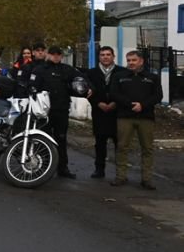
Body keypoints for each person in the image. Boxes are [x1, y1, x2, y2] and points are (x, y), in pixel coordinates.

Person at [29, 46, 90, 179]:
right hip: (44, 112)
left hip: (61, 110)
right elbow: (32, 88)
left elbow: (82, 78)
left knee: (61, 139)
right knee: (43, 139)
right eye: (53, 54)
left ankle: (62, 168)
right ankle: (43, 168)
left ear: (61, 56)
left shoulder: (67, 70)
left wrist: (88, 87)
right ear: (48, 55)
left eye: (58, 54)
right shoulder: (39, 70)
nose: (56, 57)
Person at [109, 50, 163, 190]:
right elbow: (114, 93)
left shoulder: (152, 77)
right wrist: (130, 104)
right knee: (122, 147)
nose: (131, 63)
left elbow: (158, 96)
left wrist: (142, 105)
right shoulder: (119, 76)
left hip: (146, 118)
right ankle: (121, 176)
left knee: (147, 149)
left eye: (134, 60)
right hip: (125, 117)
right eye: (128, 60)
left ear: (141, 61)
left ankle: (147, 179)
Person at [85, 46, 124, 178]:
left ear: (113, 56)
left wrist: (116, 103)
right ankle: (99, 169)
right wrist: (97, 103)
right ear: (99, 57)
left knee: (119, 143)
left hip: (117, 113)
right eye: (102, 55)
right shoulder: (91, 73)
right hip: (99, 112)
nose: (105, 57)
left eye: (108, 54)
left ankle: (121, 172)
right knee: (100, 143)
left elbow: (125, 91)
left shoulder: (122, 72)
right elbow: (87, 91)